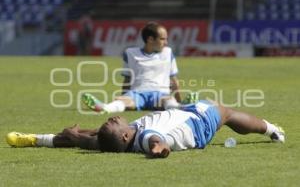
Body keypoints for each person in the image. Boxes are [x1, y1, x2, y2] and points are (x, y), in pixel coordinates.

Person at [6, 100, 285, 158]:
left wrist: (68, 135)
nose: (112, 119)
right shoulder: (148, 137)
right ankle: (272, 130)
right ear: (126, 135)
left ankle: (32, 139)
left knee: (84, 139)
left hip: (178, 115)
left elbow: (92, 138)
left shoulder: (115, 141)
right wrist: (160, 150)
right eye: (113, 122)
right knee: (229, 112)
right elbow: (157, 143)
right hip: (200, 123)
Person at [82, 22, 181, 114]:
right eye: (162, 39)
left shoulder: (168, 53)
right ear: (150, 39)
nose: (166, 42)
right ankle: (105, 108)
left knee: (168, 101)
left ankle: (180, 107)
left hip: (160, 93)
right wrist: (124, 95)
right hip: (137, 93)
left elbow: (174, 80)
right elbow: (127, 79)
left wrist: (179, 99)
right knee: (124, 101)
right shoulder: (131, 53)